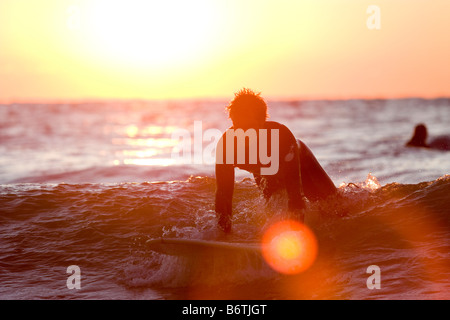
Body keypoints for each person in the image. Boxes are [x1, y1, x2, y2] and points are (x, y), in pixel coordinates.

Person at [214, 88, 337, 233]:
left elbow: (295, 197)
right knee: (272, 214)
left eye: (248, 127)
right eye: (237, 126)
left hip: (302, 166)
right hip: (267, 171)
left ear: (262, 122)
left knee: (335, 211)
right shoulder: (227, 145)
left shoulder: (281, 137)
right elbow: (224, 196)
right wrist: (224, 236)